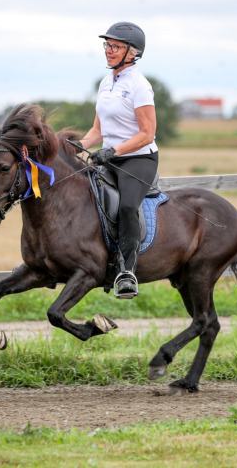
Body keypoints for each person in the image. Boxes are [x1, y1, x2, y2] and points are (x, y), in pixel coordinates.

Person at [79, 21, 159, 298]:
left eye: (116, 46)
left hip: (138, 160)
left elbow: (147, 134)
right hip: (109, 158)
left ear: (133, 52)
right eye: (107, 45)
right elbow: (97, 131)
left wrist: (113, 152)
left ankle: (127, 272)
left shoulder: (140, 86)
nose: (109, 50)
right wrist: (72, 147)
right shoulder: (106, 83)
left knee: (126, 207)